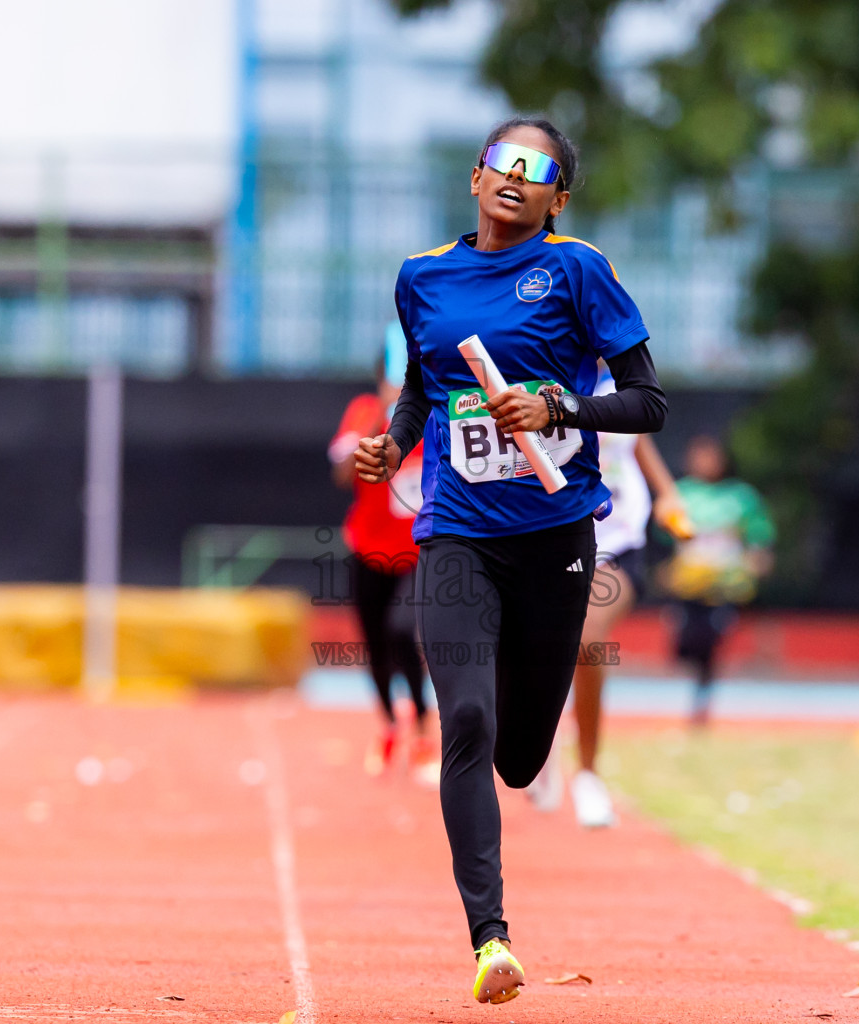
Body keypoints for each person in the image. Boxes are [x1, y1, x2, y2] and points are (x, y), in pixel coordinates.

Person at [353, 116, 666, 1004]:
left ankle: (536, 759)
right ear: (477, 175)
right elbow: (422, 390)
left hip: (554, 536)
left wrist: (558, 408)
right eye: (504, 162)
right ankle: (491, 940)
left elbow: (649, 402)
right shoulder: (423, 277)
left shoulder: (577, 269)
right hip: (455, 533)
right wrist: (392, 442)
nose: (517, 178)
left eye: (539, 170)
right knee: (469, 722)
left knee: (522, 756)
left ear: (557, 196)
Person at [525, 361, 690, 827]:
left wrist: (668, 495)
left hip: (617, 542)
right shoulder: (538, 378)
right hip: (551, 537)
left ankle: (590, 776)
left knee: (588, 635)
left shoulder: (620, 383)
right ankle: (540, 742)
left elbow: (637, 444)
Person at [328, 324, 433, 777]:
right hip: (368, 549)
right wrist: (379, 423)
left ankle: (425, 725)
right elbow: (341, 474)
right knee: (374, 644)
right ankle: (390, 723)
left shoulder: (431, 417)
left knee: (400, 630)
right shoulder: (363, 411)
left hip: (415, 553)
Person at [662, 434, 774, 725]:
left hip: (725, 585)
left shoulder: (741, 497)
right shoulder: (679, 492)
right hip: (688, 584)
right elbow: (663, 535)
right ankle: (695, 685)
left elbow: (759, 536)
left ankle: (702, 700)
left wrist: (758, 560)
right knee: (685, 645)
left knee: (709, 641)